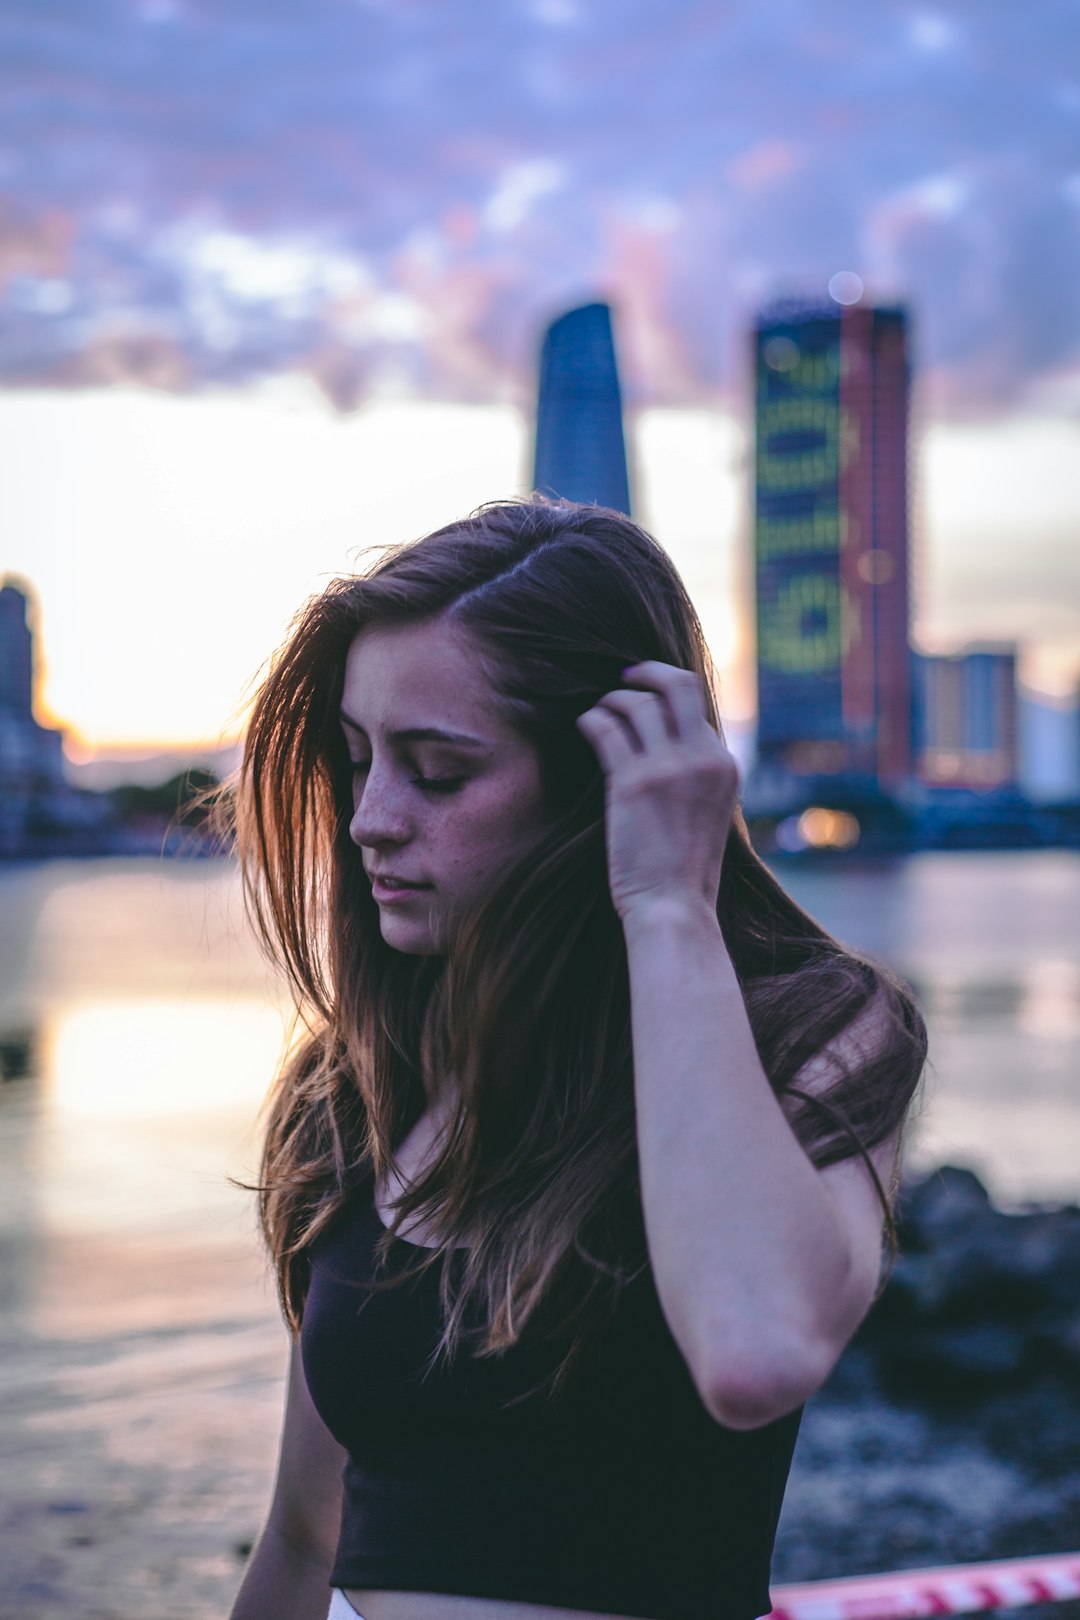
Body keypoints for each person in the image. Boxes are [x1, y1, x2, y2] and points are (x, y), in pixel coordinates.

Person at [225, 497, 927, 1620]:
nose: (369, 820)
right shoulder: (352, 1083)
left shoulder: (816, 1029)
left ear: (606, 780)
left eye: (438, 772)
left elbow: (756, 1349)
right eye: (358, 761)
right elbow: (308, 1536)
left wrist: (666, 904)